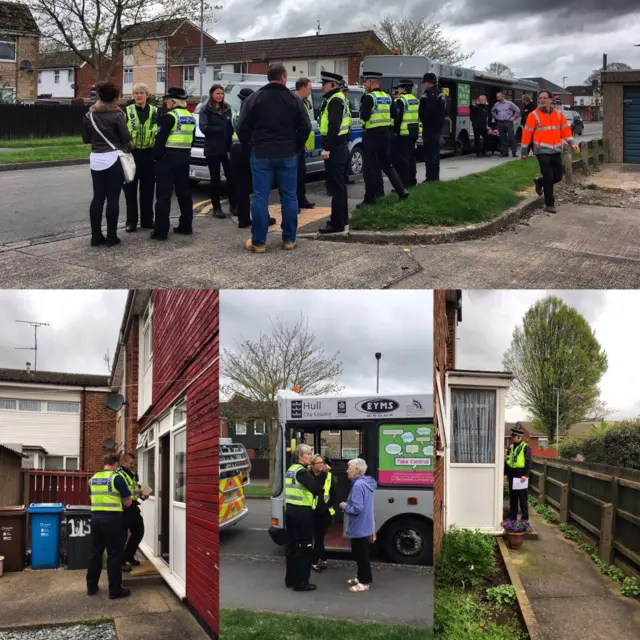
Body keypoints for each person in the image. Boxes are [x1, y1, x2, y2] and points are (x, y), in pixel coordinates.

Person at [237, 63, 311, 253]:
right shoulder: (294, 100)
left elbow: (242, 127)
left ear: (268, 77)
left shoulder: (254, 98)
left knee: (260, 197)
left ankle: (259, 242)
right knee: (289, 197)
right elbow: (306, 127)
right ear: (284, 77)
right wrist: (295, 147)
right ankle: (289, 240)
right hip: (287, 153)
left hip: (261, 154)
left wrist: (250, 146)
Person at [82, 82, 132, 247]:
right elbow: (126, 137)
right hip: (114, 158)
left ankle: (95, 237)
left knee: (98, 197)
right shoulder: (118, 116)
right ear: (116, 98)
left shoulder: (89, 116)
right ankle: (112, 237)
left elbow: (85, 138)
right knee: (113, 198)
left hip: (96, 158)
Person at [521, 89, 579, 214]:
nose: (541, 100)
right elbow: (527, 133)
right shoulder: (533, 115)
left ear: (550, 100)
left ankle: (539, 181)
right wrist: (524, 151)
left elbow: (565, 131)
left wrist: (572, 143)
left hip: (556, 150)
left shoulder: (558, 115)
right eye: (540, 98)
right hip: (541, 151)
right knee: (549, 176)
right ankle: (549, 204)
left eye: (544, 98)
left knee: (558, 176)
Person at [357, 70, 408, 208]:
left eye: (366, 82)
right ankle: (402, 191)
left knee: (369, 169)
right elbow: (394, 115)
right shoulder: (387, 97)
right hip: (385, 135)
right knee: (387, 165)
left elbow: (365, 117)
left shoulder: (369, 98)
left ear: (372, 82)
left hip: (371, 136)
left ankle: (369, 199)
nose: (364, 85)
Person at [86, 453, 132, 599]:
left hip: (96, 520)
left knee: (95, 553)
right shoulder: (116, 478)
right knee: (114, 555)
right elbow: (128, 503)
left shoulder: (92, 479)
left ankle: (91, 587)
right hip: (113, 521)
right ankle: (114, 590)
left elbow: (91, 497)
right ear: (116, 464)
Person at [152, 87, 196, 240]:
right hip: (184, 157)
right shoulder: (190, 117)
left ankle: (161, 231)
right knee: (184, 193)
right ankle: (186, 226)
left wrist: (156, 159)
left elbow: (160, 140)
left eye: (167, 100)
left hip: (168, 158)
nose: (165, 102)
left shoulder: (169, 117)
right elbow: (192, 140)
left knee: (163, 196)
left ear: (173, 101)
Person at [284, 444, 322, 591]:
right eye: (308, 453)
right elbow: (315, 489)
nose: (310, 456)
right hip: (302, 514)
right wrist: (321, 474)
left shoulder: (291, 469)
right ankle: (301, 583)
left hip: (291, 510)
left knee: (292, 546)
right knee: (304, 547)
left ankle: (291, 579)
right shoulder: (301, 471)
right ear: (300, 456)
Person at [317, 70, 351, 234]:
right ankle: (342, 219)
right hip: (340, 146)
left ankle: (336, 223)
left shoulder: (335, 100)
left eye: (324, 84)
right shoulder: (339, 98)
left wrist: (327, 148)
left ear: (333, 85)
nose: (322, 87)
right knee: (340, 185)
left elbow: (334, 126)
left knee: (335, 186)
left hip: (335, 148)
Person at [123, 83, 158, 233]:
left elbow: (160, 131)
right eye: (136, 93)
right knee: (130, 190)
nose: (138, 96)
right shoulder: (126, 110)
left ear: (147, 95)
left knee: (148, 190)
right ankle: (131, 222)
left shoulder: (156, 111)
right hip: (132, 154)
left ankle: (147, 221)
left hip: (149, 154)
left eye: (141, 93)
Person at [339, 458, 377, 593]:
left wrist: (344, 506)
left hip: (358, 525)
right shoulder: (367, 483)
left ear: (357, 470)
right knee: (361, 553)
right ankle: (361, 577)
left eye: (349, 468)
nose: (347, 470)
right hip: (365, 525)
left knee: (361, 555)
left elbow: (356, 509)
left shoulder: (358, 485)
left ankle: (364, 582)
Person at [200, 84, 236, 219]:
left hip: (227, 148)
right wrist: (221, 129)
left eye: (221, 93)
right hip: (212, 148)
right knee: (215, 179)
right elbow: (204, 128)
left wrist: (223, 130)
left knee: (231, 177)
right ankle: (217, 208)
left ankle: (234, 205)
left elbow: (231, 126)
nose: (220, 96)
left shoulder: (227, 108)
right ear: (211, 94)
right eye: (217, 93)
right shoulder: (205, 110)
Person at [117, 452, 146, 570]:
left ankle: (129, 556)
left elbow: (135, 488)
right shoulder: (118, 475)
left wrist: (143, 495)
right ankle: (120, 562)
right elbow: (121, 491)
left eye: (133, 464)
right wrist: (136, 491)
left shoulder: (133, 474)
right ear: (123, 462)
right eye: (130, 463)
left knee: (139, 531)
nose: (132, 466)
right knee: (121, 537)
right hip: (122, 507)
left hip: (133, 506)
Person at [309, 455, 337, 572]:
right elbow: (316, 488)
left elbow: (334, 495)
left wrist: (325, 506)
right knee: (317, 537)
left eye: (322, 462)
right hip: (311, 512)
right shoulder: (308, 476)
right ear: (312, 465)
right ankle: (324, 559)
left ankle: (314, 562)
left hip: (324, 512)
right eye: (318, 463)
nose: (321, 465)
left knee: (319, 537)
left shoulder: (329, 476)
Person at [419, 72, 446, 182]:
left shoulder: (429, 94)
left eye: (424, 82)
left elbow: (427, 112)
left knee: (429, 154)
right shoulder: (440, 94)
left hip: (429, 129)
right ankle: (435, 177)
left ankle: (430, 177)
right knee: (435, 153)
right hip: (437, 128)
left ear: (428, 83)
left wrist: (425, 121)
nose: (424, 85)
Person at [392, 79, 419, 187]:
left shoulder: (401, 100)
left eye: (399, 88)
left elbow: (398, 118)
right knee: (411, 157)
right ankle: (412, 180)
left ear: (403, 89)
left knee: (402, 159)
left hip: (403, 133)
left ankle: (403, 182)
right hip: (414, 131)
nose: (398, 90)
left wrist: (395, 132)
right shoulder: (415, 100)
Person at [295, 77, 316, 211]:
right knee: (294, 176)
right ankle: (294, 203)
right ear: (302, 87)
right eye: (309, 89)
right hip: (294, 145)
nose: (310, 92)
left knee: (302, 174)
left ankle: (302, 200)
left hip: (301, 146)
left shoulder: (304, 102)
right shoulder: (294, 102)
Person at [503, 426, 532, 522]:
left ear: (519, 437)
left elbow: (528, 462)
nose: (512, 438)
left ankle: (524, 519)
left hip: (521, 476)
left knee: (522, 499)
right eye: (512, 437)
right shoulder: (510, 447)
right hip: (511, 476)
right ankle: (513, 517)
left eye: (513, 437)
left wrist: (525, 475)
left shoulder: (526, 447)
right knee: (513, 498)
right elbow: (507, 461)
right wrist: (505, 474)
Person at [491, 92, 520, 157]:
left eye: (498, 96)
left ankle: (514, 152)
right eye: (497, 96)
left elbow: (517, 110)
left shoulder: (509, 103)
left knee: (511, 137)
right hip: (500, 122)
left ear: (502, 96)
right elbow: (492, 111)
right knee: (502, 138)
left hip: (508, 122)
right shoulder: (496, 104)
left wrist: (513, 117)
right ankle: (505, 152)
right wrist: (496, 117)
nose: (497, 98)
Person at [341, 81, 355, 185]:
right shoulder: (338, 101)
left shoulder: (347, 102)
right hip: (339, 134)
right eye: (344, 91)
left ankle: (345, 178)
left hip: (345, 133)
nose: (346, 93)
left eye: (346, 91)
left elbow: (348, 118)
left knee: (346, 157)